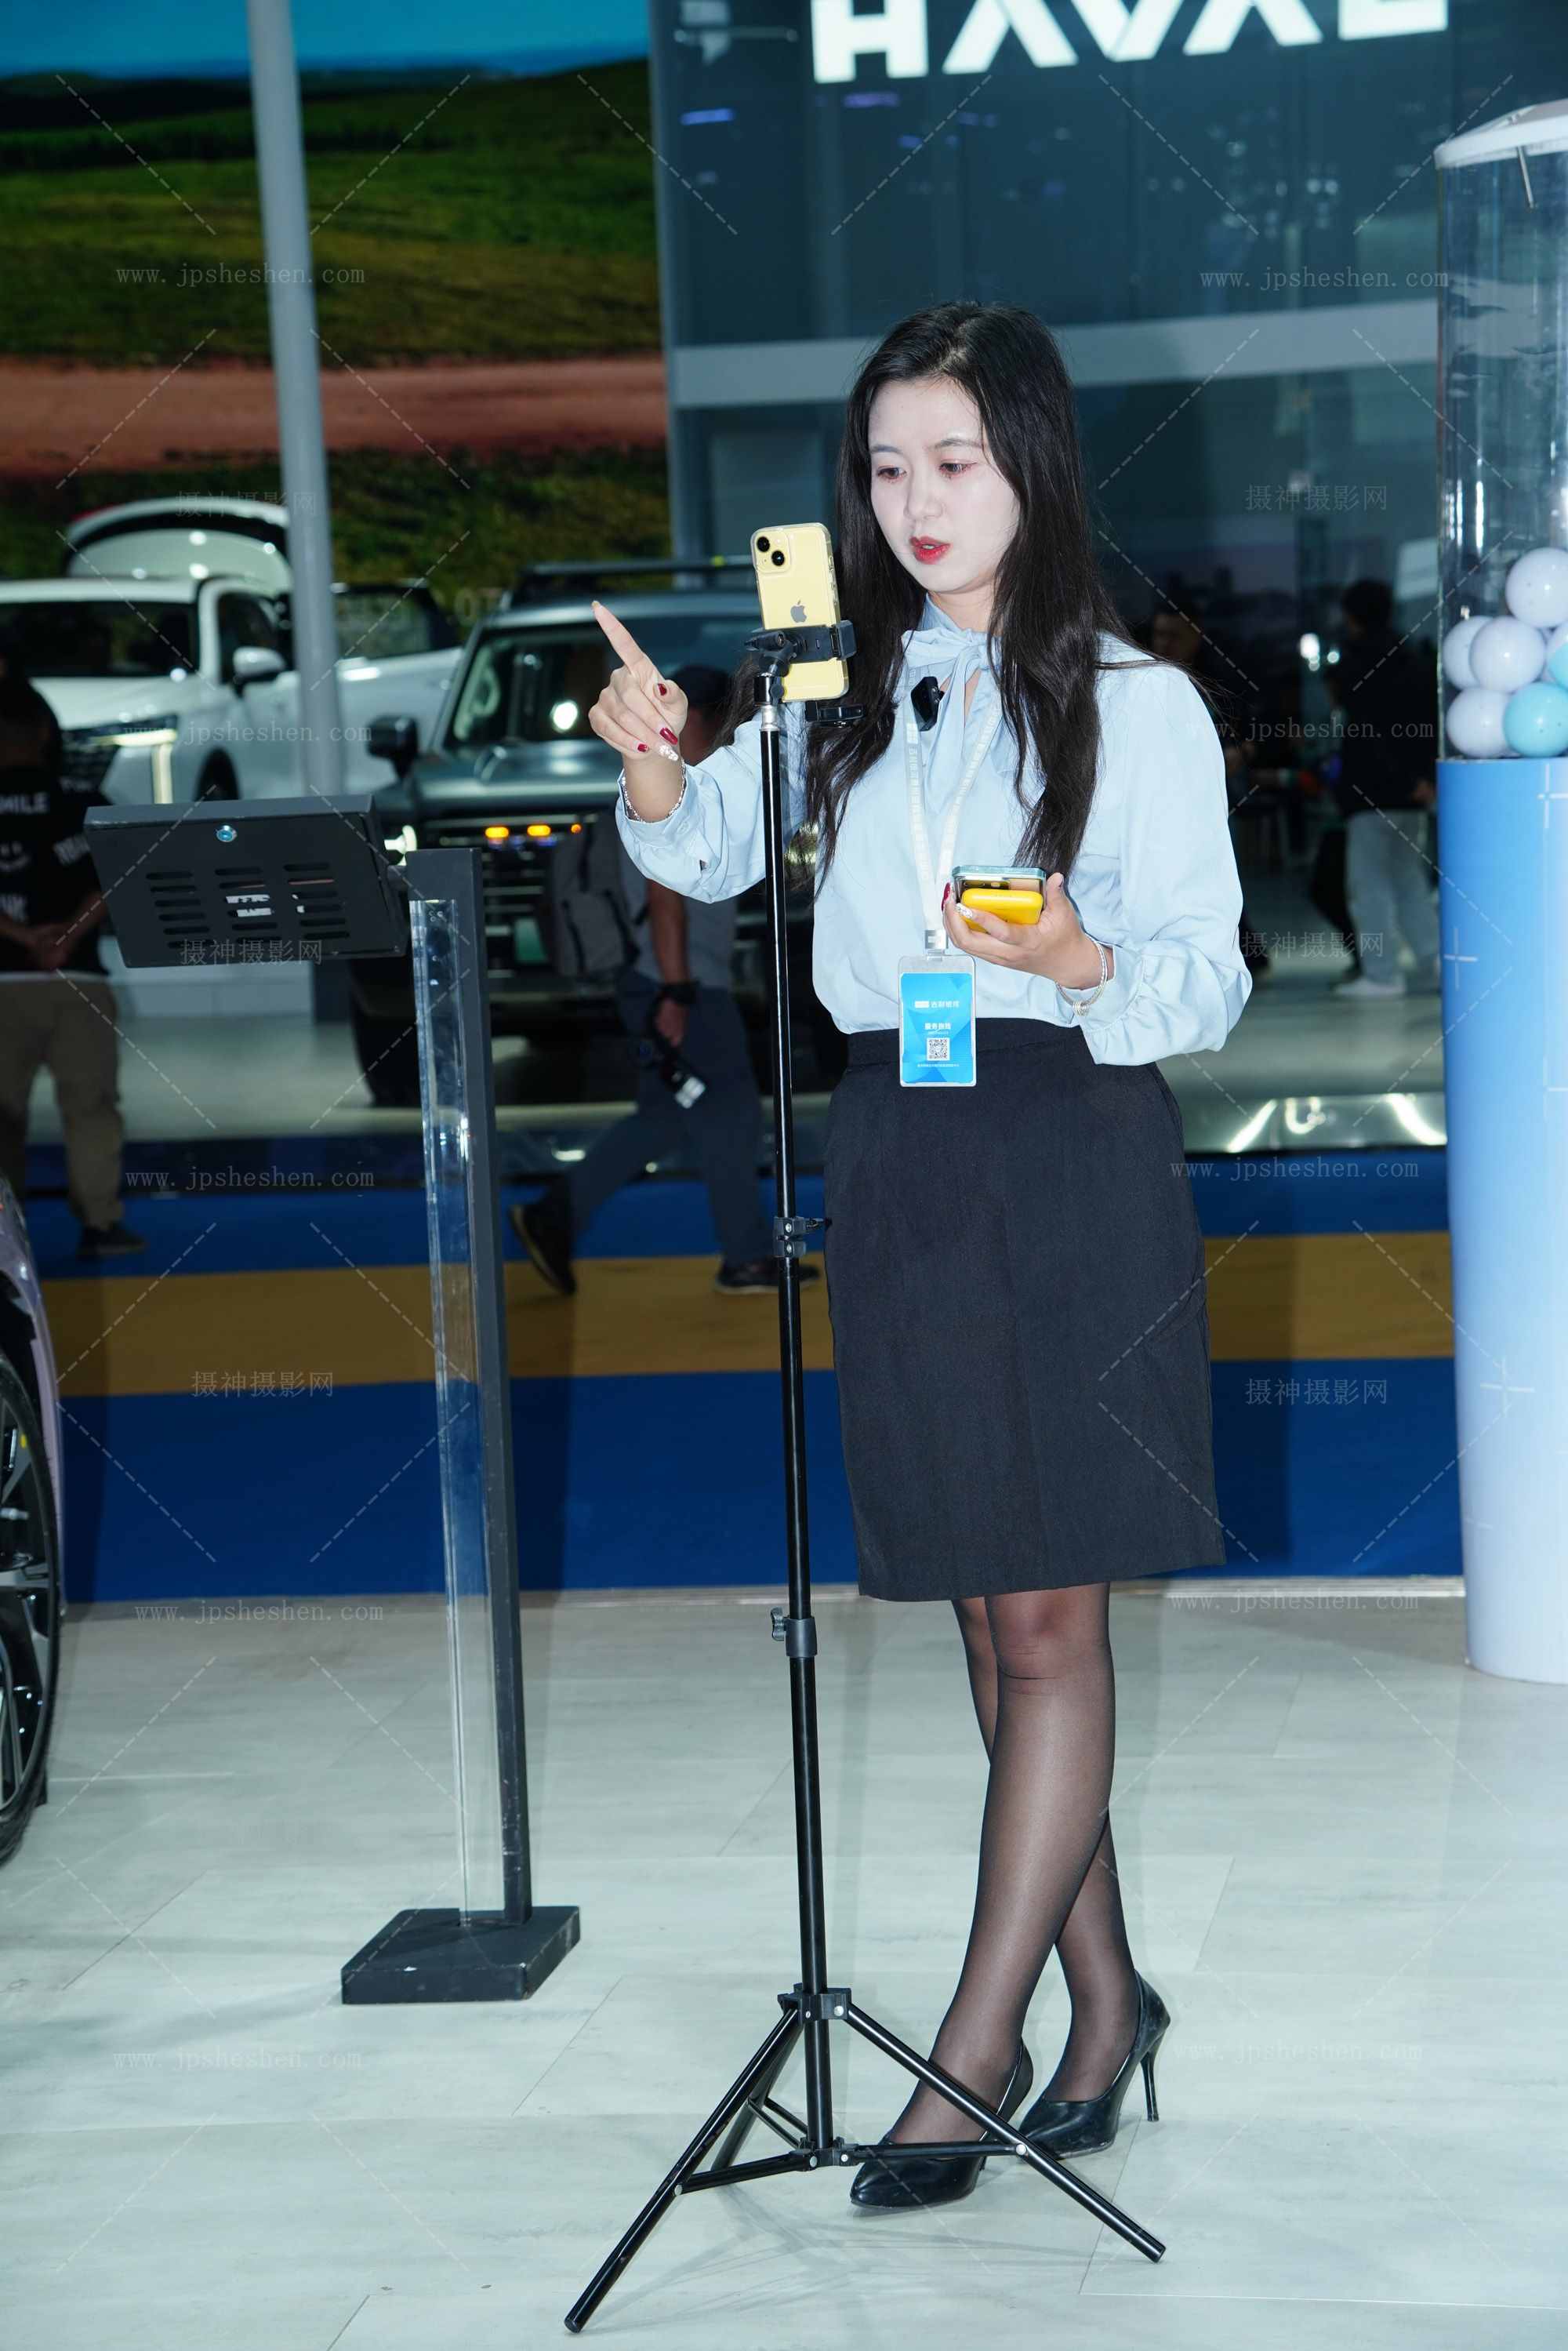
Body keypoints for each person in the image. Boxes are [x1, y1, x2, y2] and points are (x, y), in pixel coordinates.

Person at [591, 302, 1250, 2207]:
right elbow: (706, 853)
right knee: (982, 1604)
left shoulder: (1132, 703)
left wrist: (1074, 954)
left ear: (1030, 464)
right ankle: (1105, 2004)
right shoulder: (841, 690)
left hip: (1066, 1141)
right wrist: (658, 764)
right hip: (897, 1142)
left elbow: (1205, 975)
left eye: (952, 460)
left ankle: (973, 2050)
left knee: (1046, 1619)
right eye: (885, 467)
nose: (916, 500)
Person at [512, 663, 819, 1298]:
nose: (731, 737)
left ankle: (553, 1216)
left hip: (660, 983)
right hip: (679, 986)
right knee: (731, 1112)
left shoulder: (676, 782)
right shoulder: (667, 786)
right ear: (696, 718)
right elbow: (664, 900)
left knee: (666, 1116)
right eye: (724, 723)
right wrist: (677, 994)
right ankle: (745, 1257)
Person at [0, 678, 144, 1258]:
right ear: (44, 733)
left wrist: (20, 936)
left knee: (1, 1117)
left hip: (3, 984)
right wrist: (64, 938)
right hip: (78, 980)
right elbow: (115, 878)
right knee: (91, 1109)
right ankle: (101, 1225)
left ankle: (6, 1241)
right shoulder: (83, 800)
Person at [1327, 578, 1439, 999]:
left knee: (1369, 884)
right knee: (1409, 881)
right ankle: (1433, 962)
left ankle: (1382, 973)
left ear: (1352, 615)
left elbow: (1367, 735)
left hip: (1370, 793)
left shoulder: (1356, 663)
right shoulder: (1411, 656)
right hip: (1414, 793)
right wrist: (1421, 780)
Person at [1147, 603, 1271, 978]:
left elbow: (1257, 729)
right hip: (1163, 796)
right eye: (1160, 635)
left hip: (1215, 797)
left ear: (1195, 635)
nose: (1165, 643)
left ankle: (1234, 958)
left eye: (1174, 635)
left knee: (1215, 875)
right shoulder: (1146, 676)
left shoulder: (1221, 677)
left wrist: (1241, 751)